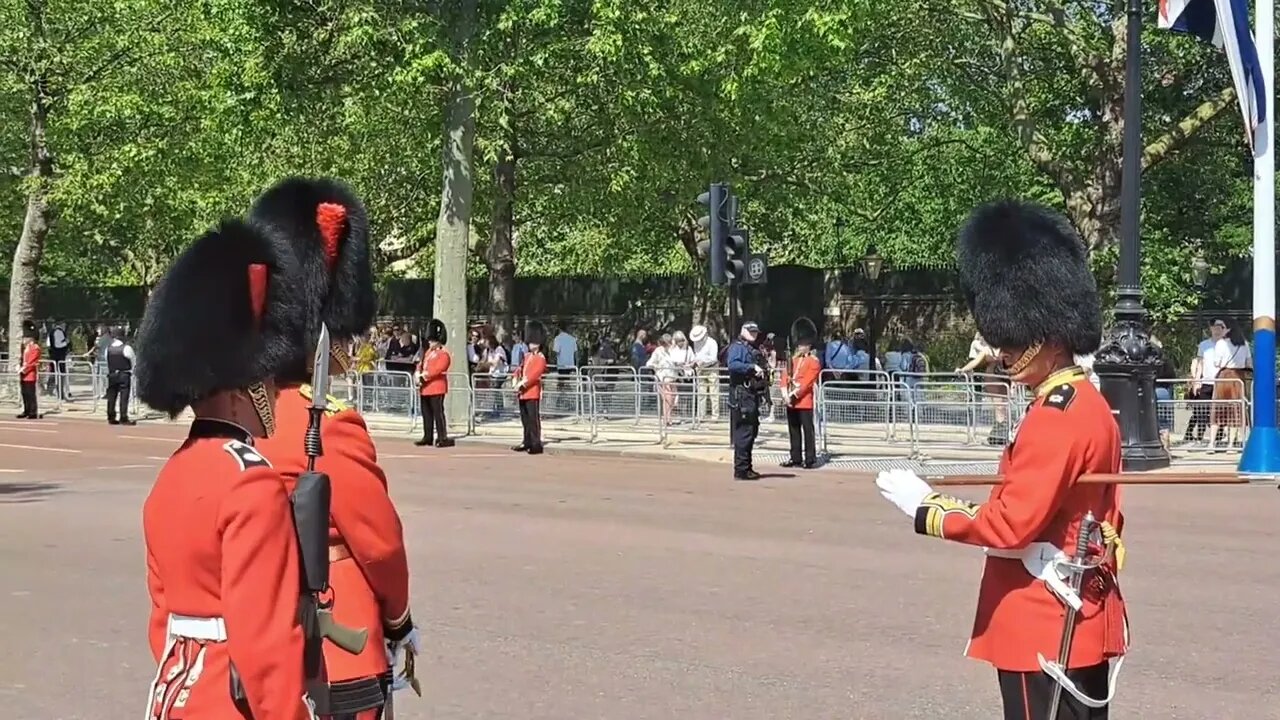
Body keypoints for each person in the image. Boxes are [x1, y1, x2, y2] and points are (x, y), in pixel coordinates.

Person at [875, 200, 1126, 720]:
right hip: (1080, 608)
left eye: (1011, 340)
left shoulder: (1056, 416)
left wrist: (929, 507)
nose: (1002, 351)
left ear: (1049, 335)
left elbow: (1011, 524)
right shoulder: (1089, 404)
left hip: (1045, 614)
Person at [248, 177, 419, 720]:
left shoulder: (237, 418)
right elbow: (380, 543)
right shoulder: (328, 423)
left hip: (258, 637)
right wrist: (400, 619)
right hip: (337, 649)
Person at [134, 216, 314, 720]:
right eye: (271, 380)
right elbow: (266, 647)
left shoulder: (174, 473)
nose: (278, 392)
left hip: (177, 696)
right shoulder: (250, 482)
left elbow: (162, 619)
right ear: (245, 386)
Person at [726, 321, 766, 480]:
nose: (754, 334)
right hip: (742, 396)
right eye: (751, 331)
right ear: (743, 331)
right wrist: (751, 367)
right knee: (744, 433)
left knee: (751, 431)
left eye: (756, 331)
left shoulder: (751, 348)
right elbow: (733, 365)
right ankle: (742, 469)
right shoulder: (737, 347)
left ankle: (746, 467)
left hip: (750, 394)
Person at [781, 317, 820, 469]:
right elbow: (785, 375)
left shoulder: (813, 361)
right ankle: (795, 457)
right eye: (801, 343)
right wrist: (785, 392)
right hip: (791, 400)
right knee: (793, 430)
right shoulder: (794, 360)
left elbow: (808, 383)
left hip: (803, 401)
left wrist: (793, 395)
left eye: (804, 344)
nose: (802, 347)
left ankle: (810, 458)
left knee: (807, 431)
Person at [1209, 323, 1252, 450]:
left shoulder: (1221, 343)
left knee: (1218, 410)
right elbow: (1248, 362)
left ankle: (1211, 443)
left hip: (1224, 376)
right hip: (1238, 377)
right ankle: (1231, 445)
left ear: (1228, 330)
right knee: (1236, 410)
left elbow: (1217, 362)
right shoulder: (1244, 344)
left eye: (1224, 328)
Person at [1184, 318, 1226, 445]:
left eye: (1221, 326)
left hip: (1222, 382)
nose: (1217, 329)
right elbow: (1200, 364)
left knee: (1221, 411)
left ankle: (1218, 437)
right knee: (1201, 410)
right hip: (1206, 381)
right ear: (1211, 328)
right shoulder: (1204, 345)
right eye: (1215, 326)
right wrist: (1197, 380)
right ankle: (1199, 437)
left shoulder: (1227, 344)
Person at [417, 318, 455, 448]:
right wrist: (417, 373)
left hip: (437, 387)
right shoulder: (428, 352)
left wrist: (424, 376)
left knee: (438, 414)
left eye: (432, 340)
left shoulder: (443, 354)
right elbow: (421, 364)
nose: (429, 342)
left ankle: (442, 437)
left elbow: (439, 369)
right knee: (426, 414)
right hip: (425, 387)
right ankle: (428, 436)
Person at [513, 320, 548, 454]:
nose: (531, 344)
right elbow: (520, 368)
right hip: (522, 392)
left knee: (533, 420)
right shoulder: (527, 356)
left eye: (533, 342)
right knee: (525, 419)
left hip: (532, 392)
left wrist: (523, 383)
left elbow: (535, 375)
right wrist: (515, 377)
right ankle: (526, 441)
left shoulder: (540, 358)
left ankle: (535, 443)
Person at [104, 326, 136, 425]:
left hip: (112, 374)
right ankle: (123, 417)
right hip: (124, 374)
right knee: (124, 396)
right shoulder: (126, 348)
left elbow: (107, 361)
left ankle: (111, 416)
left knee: (111, 396)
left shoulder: (108, 349)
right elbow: (133, 361)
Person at [689, 325, 720, 421]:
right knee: (701, 393)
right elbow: (697, 354)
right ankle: (701, 415)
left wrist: (703, 361)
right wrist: (695, 362)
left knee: (714, 393)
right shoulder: (696, 343)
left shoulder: (712, 343)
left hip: (712, 368)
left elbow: (713, 358)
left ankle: (715, 416)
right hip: (700, 369)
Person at [16, 329, 40, 419]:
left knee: (30, 394)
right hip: (23, 373)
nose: (24, 339)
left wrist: (24, 369)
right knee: (25, 393)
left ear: (31, 338)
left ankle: (33, 412)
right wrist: (19, 366)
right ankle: (26, 410)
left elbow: (32, 361)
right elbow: (22, 359)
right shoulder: (25, 348)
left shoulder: (35, 348)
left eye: (26, 338)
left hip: (30, 374)